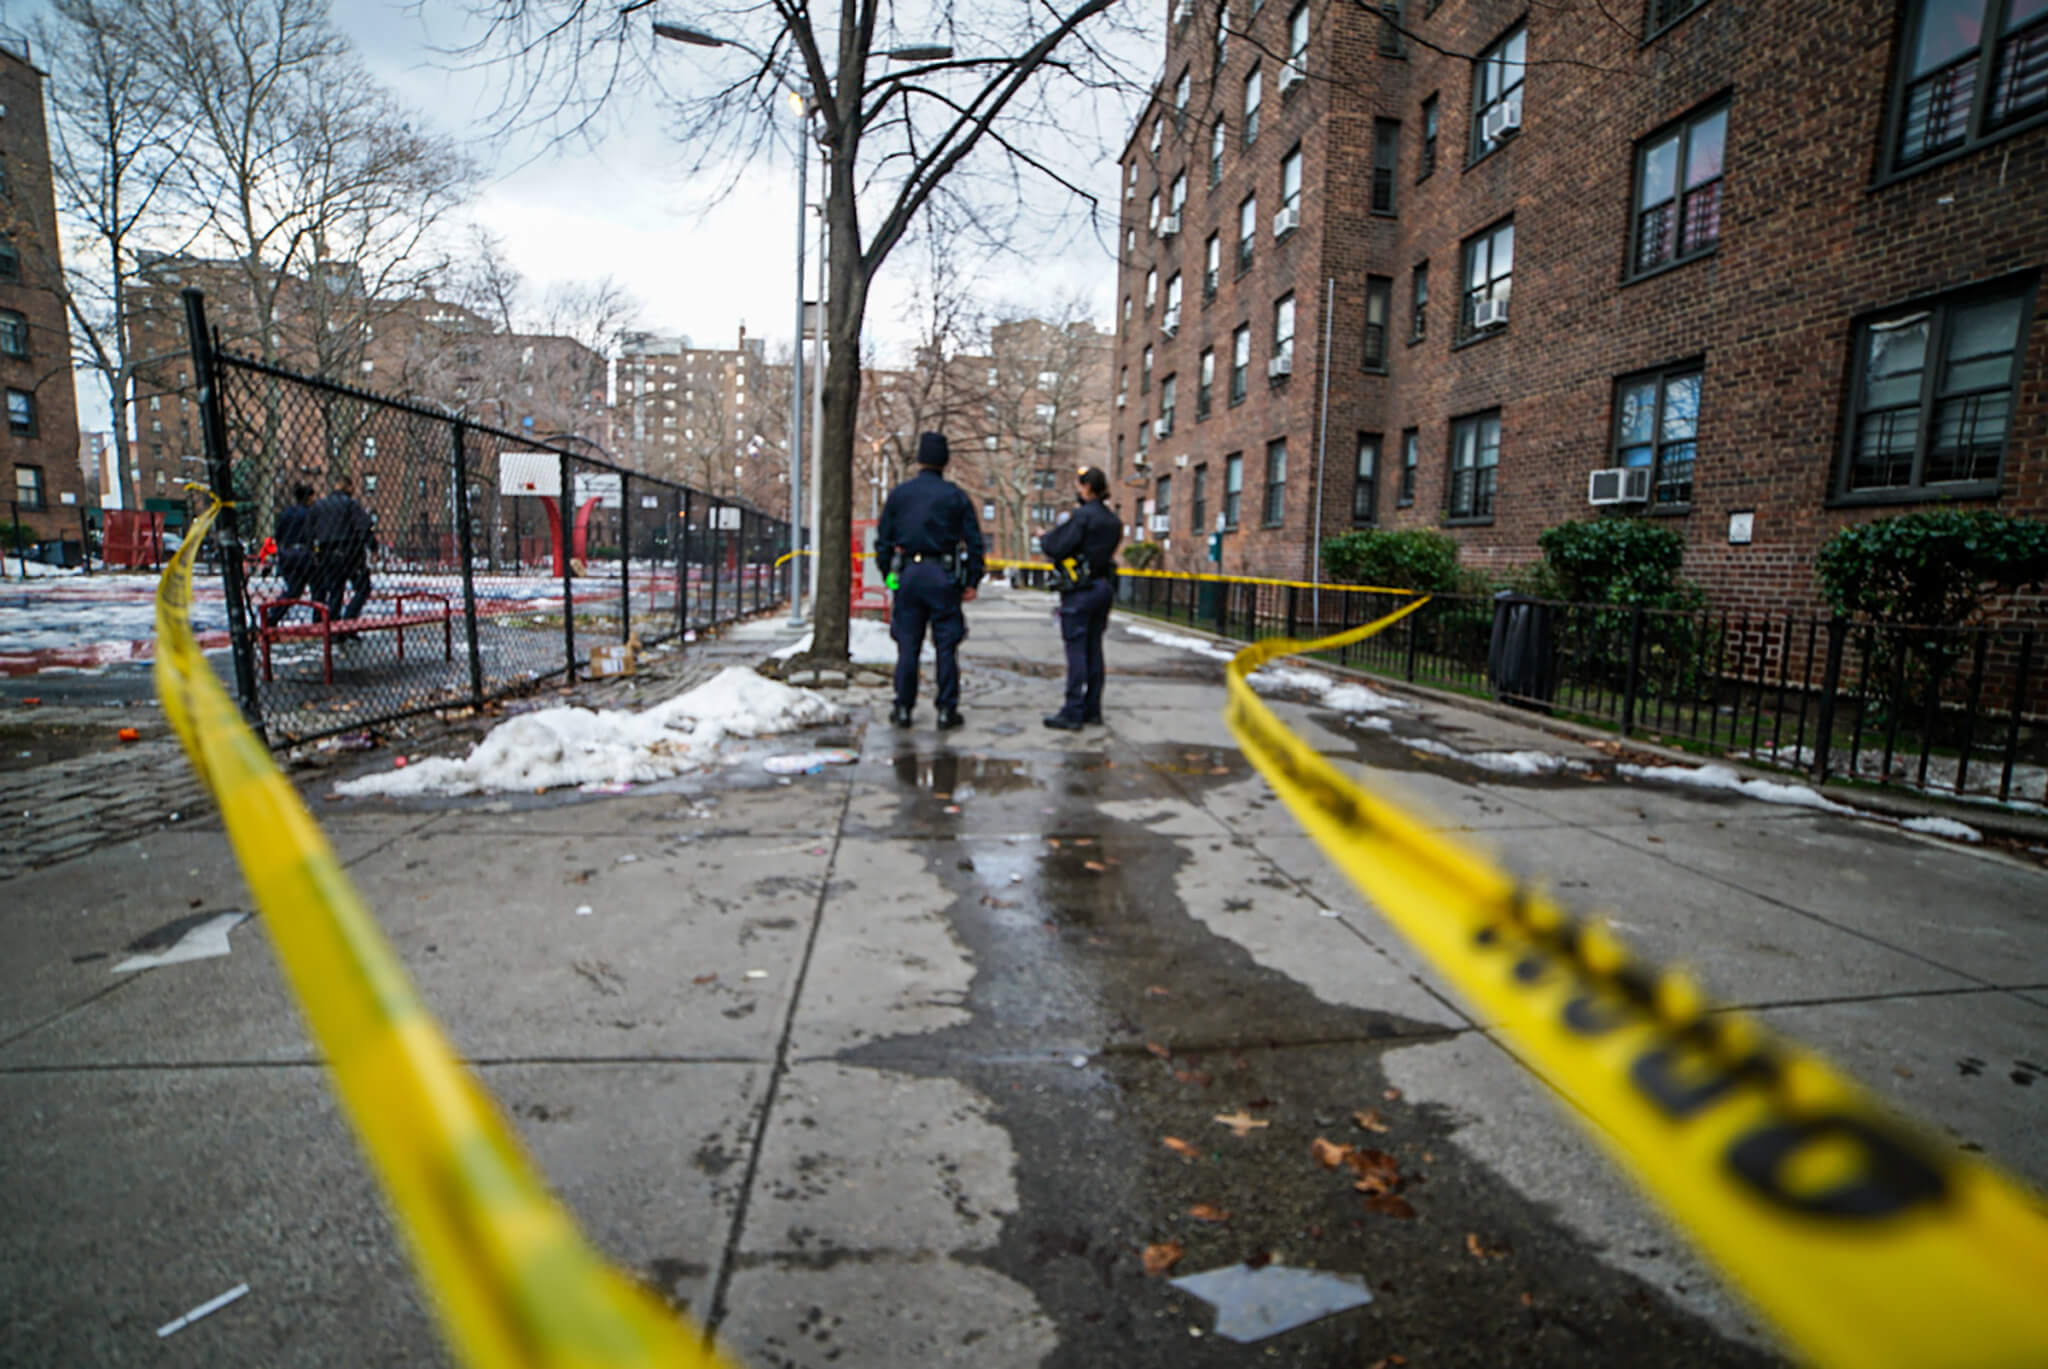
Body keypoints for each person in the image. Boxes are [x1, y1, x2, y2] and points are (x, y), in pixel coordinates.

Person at [876, 431, 985, 729]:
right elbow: (974, 542)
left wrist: (889, 575)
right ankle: (947, 710)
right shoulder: (955, 496)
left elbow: (883, 540)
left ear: (919, 459)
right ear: (945, 461)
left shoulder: (900, 495)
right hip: (943, 575)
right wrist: (972, 579)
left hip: (909, 575)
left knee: (908, 645)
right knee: (946, 646)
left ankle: (903, 707)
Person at [1039, 465, 1123, 730]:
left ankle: (1072, 711)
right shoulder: (1113, 521)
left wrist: (1044, 537)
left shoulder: (1081, 517)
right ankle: (1092, 709)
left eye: (1079, 485)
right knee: (1094, 648)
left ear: (1086, 487)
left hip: (1080, 591)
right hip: (1103, 587)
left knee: (1076, 649)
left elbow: (1057, 546)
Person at [307, 475, 376, 624]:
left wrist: (315, 550)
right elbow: (364, 527)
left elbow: (309, 531)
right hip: (350, 551)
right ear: (348, 487)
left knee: (335, 591)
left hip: (327, 552)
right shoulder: (351, 504)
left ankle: (334, 624)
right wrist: (373, 547)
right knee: (363, 588)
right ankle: (348, 620)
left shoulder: (320, 506)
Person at [262, 484, 317, 627]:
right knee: (317, 588)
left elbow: (278, 535)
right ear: (308, 497)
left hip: (287, 553)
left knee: (293, 590)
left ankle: (273, 616)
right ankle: (318, 620)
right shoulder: (310, 513)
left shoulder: (285, 513)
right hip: (305, 554)